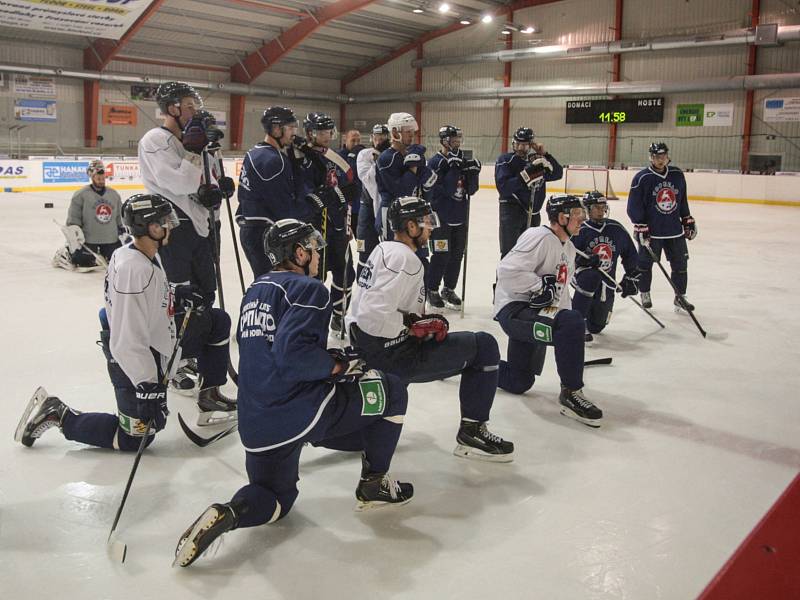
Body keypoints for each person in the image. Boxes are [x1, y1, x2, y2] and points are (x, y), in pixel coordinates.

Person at [173, 219, 412, 568]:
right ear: (298, 253)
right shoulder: (309, 289)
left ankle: (230, 512)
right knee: (392, 390)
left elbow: (273, 350)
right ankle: (374, 484)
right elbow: (293, 358)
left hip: (257, 424)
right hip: (300, 411)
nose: (318, 254)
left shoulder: (256, 289)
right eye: (313, 247)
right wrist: (337, 367)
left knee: (276, 498)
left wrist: (326, 359)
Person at [15, 194, 230, 450]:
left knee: (216, 321)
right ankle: (58, 414)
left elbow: (146, 297)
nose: (169, 225)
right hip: (129, 359)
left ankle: (211, 397)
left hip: (155, 341)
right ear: (147, 227)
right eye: (163, 221)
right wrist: (147, 385)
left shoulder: (136, 252)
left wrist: (174, 293)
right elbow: (128, 339)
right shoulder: (134, 270)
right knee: (137, 437)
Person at [348, 196, 514, 461]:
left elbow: (359, 311)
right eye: (426, 222)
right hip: (394, 355)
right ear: (411, 227)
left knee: (363, 430)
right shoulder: (406, 260)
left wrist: (412, 323)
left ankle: (339, 434)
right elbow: (372, 316)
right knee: (484, 346)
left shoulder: (382, 249)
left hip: (372, 350)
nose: (431, 227)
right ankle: (472, 432)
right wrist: (411, 327)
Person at [138, 81, 236, 403]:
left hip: (203, 226)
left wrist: (221, 184)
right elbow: (177, 180)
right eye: (189, 106)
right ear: (172, 109)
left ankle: (206, 362)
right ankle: (179, 359)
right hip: (174, 228)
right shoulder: (156, 140)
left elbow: (209, 178)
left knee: (206, 293)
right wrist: (195, 154)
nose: (195, 111)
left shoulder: (198, 140)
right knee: (180, 296)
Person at [494, 194, 603, 428]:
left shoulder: (570, 249)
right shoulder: (539, 236)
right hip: (515, 310)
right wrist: (538, 287)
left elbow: (560, 295)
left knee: (519, 381)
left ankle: (472, 362)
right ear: (561, 217)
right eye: (576, 215)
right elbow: (507, 271)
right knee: (572, 322)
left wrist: (567, 327)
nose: (581, 219)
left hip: (538, 313)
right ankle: (571, 392)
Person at [295, 112, 359, 335]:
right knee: (315, 278)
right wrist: (337, 195)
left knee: (346, 274)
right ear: (309, 132)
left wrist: (347, 212)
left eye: (328, 131)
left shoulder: (335, 157)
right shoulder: (301, 158)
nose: (325, 136)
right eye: (320, 131)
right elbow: (309, 199)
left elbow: (349, 188)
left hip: (338, 226)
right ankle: (312, 321)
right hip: (314, 229)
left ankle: (338, 315)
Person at [236, 106, 308, 279]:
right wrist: (313, 203)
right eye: (290, 128)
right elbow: (285, 210)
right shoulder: (274, 160)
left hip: (251, 230)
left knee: (265, 282)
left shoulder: (254, 152)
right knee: (274, 285)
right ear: (276, 129)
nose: (294, 133)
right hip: (265, 234)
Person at [627, 142, 697, 312]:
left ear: (667, 156)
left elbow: (682, 200)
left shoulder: (677, 174)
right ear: (651, 157)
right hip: (652, 232)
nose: (660, 160)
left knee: (680, 265)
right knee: (644, 265)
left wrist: (687, 219)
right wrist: (640, 225)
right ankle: (645, 293)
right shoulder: (642, 178)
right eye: (657, 157)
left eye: (663, 156)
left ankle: (680, 297)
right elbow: (633, 206)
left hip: (674, 231)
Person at [570, 191, 640, 342]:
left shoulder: (616, 228)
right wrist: (582, 261)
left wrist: (631, 276)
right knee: (588, 280)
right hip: (584, 278)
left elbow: (630, 254)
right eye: (596, 207)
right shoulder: (579, 229)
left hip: (607, 282)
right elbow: (567, 254)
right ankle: (577, 321)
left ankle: (580, 312)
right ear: (587, 209)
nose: (601, 211)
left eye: (603, 207)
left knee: (597, 326)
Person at [425, 125, 481, 310]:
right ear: (444, 141)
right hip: (439, 217)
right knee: (441, 254)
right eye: (453, 139)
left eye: (458, 139)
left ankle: (448, 289)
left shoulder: (462, 160)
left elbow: (471, 191)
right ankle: (432, 289)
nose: (457, 143)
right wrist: (454, 170)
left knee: (457, 255)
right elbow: (445, 191)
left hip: (460, 216)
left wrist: (473, 174)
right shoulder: (435, 162)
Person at [495, 127, 563, 257]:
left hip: (533, 213)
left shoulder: (538, 160)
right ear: (513, 143)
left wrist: (546, 154)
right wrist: (526, 176)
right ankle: (506, 278)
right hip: (512, 212)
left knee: (530, 254)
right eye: (518, 144)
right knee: (510, 253)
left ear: (531, 145)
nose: (520, 148)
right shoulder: (506, 160)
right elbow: (504, 188)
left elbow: (558, 173)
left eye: (525, 145)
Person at [375, 112, 437, 242]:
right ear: (395, 132)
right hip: (394, 215)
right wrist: (413, 166)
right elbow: (402, 192)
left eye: (412, 131)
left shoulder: (414, 154)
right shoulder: (387, 158)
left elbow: (429, 182)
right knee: (396, 256)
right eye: (407, 131)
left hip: (416, 212)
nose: (412, 134)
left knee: (421, 257)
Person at [52, 159, 122, 272]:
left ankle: (103, 252)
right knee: (84, 263)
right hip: (89, 239)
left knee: (117, 260)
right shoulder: (81, 195)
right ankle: (66, 252)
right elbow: (73, 219)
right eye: (98, 178)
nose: (101, 181)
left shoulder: (114, 195)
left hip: (110, 238)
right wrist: (74, 235)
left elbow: (119, 217)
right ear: (92, 177)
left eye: (103, 178)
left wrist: (121, 229)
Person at [355, 124, 391, 279]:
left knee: (387, 252)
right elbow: (368, 179)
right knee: (365, 252)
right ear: (371, 138)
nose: (378, 141)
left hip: (386, 208)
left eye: (382, 138)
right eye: (376, 138)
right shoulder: (364, 154)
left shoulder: (391, 155)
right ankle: (363, 286)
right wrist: (381, 159)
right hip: (366, 209)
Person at [339, 129, 365, 236]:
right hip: (345, 207)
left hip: (360, 206)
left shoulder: (363, 156)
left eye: (358, 141)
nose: (356, 144)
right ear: (346, 140)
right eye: (353, 140)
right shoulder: (338, 156)